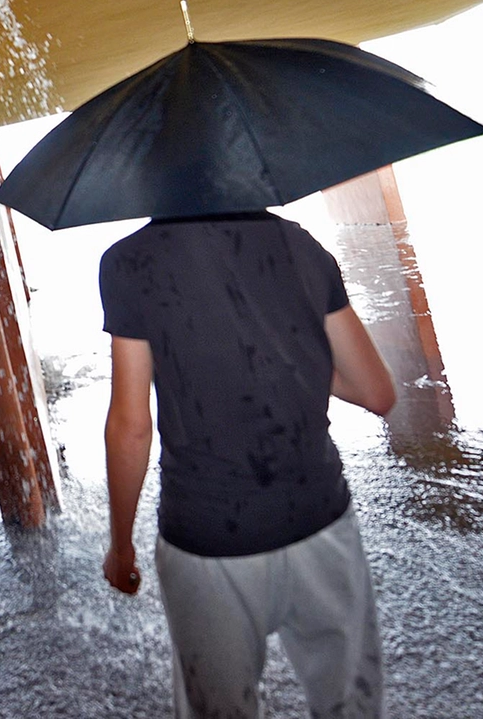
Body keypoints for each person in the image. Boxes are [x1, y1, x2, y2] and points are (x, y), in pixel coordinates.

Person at [98, 211, 397, 718]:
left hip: (207, 539)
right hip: (320, 521)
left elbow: (131, 427)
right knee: (352, 706)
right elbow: (376, 392)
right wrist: (283, 351)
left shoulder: (129, 262)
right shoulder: (300, 245)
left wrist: (121, 545)